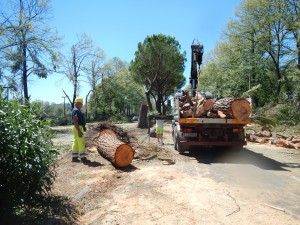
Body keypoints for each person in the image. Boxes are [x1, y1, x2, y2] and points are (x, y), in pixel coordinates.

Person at [71, 97, 89, 163]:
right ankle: (83, 157)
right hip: (78, 127)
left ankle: (74, 157)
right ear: (79, 103)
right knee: (81, 142)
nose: (82, 105)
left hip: (76, 127)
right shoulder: (76, 110)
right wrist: (79, 131)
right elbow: (75, 120)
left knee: (76, 142)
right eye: (81, 103)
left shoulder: (75, 110)